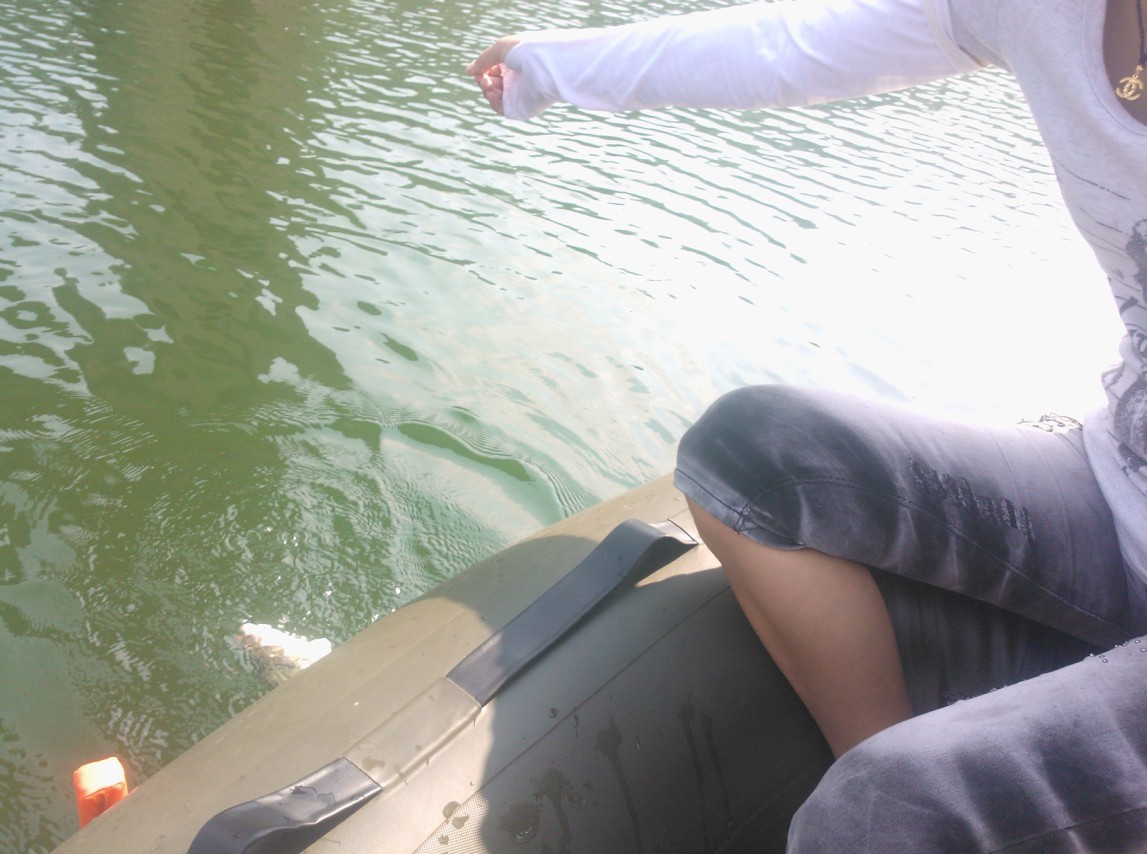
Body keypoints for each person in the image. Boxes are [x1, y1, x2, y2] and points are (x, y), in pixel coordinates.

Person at [469, 1, 1147, 849]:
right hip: (1117, 482)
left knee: (889, 809)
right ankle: (872, 765)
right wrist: (542, 67)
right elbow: (786, 49)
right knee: (751, 459)